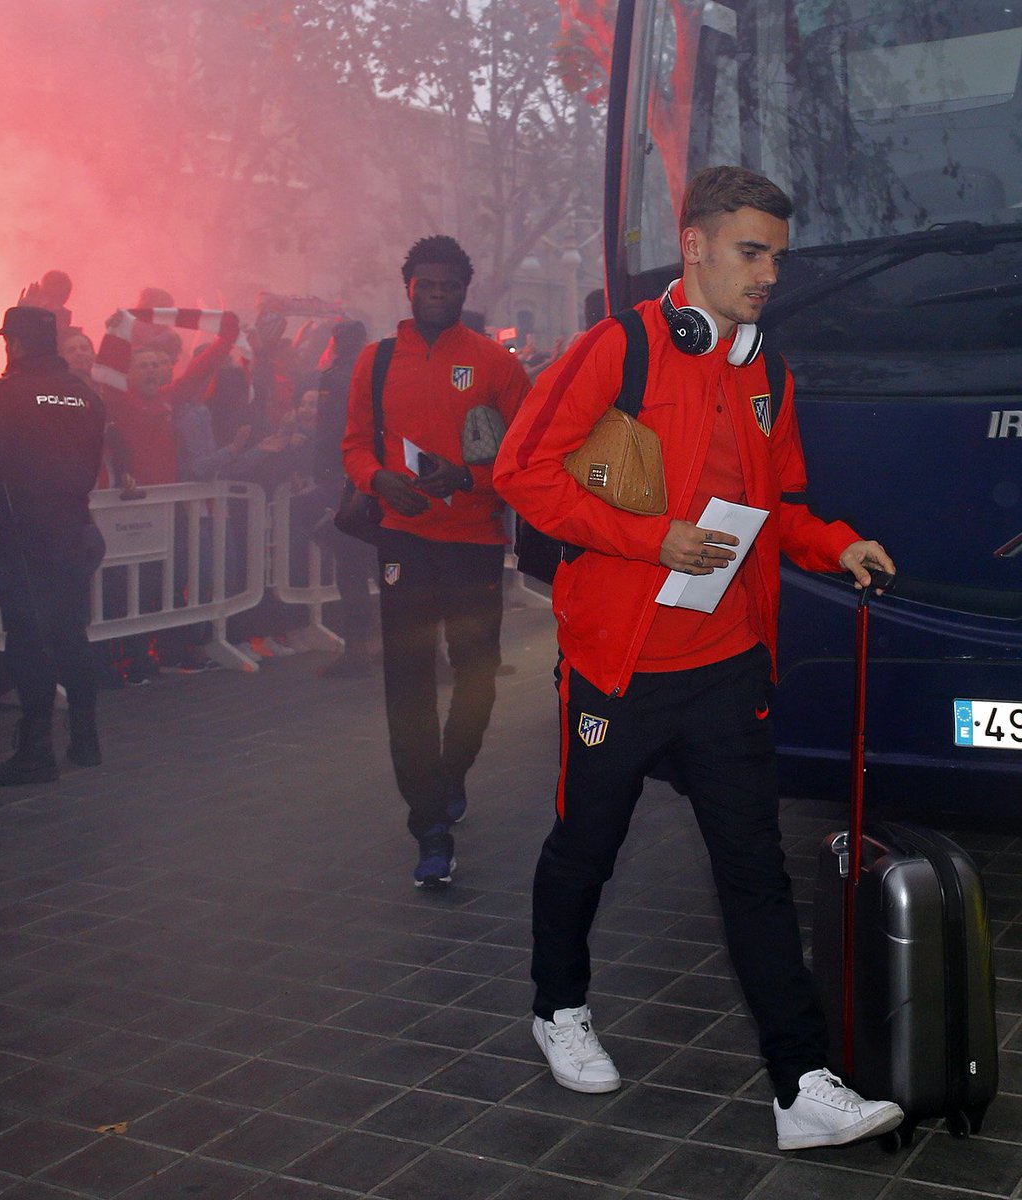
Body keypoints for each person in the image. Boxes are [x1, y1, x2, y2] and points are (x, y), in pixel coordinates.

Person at [493, 166, 904, 1152]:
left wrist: (830, 542)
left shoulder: (765, 370)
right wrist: (650, 540)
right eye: (749, 252)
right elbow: (520, 473)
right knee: (584, 849)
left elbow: (781, 504)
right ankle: (558, 1006)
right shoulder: (618, 348)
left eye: (775, 256)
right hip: (618, 664)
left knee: (753, 872)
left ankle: (800, 1083)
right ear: (694, 245)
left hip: (726, 661)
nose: (768, 274)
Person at [342, 235, 530, 888]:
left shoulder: (495, 364)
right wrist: (376, 479)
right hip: (405, 540)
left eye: (450, 286)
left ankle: (451, 775)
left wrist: (471, 481)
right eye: (427, 284)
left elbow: (523, 455)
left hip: (474, 540)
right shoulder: (376, 359)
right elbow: (355, 445)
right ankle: (429, 825)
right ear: (409, 286)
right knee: (408, 680)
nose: (438, 295)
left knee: (475, 672)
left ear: (465, 291)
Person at [0, 306, 105, 784]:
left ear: (16, 343)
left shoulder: (9, 393)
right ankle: (86, 739)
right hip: (74, 529)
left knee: (29, 640)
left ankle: (35, 752)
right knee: (72, 634)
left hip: (25, 534)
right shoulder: (84, 395)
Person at [313, 319, 377, 676]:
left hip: (348, 479)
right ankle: (395, 647)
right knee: (386, 567)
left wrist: (320, 474)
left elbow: (327, 432)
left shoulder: (334, 377)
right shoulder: (383, 374)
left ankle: (357, 652)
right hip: (383, 477)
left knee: (351, 569)